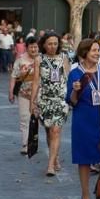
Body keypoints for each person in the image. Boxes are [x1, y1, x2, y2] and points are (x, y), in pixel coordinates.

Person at [68, 38, 100, 199]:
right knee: (84, 158)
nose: (97, 53)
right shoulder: (75, 73)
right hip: (84, 120)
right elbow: (71, 101)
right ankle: (85, 193)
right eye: (93, 50)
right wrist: (75, 91)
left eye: (98, 50)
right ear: (84, 53)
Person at [30, 32, 70, 176]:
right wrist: (32, 101)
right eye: (49, 44)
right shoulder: (39, 59)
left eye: (55, 43)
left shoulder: (64, 58)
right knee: (48, 131)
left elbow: (68, 78)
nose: (53, 46)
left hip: (60, 100)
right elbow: (36, 81)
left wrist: (71, 97)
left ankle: (50, 165)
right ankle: (55, 157)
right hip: (45, 99)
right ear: (44, 45)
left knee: (56, 131)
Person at [9, 36, 40, 154]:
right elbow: (13, 76)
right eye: (31, 47)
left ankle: (36, 140)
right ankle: (25, 144)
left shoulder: (42, 59)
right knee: (25, 118)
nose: (33, 49)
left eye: (35, 47)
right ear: (26, 48)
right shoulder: (20, 60)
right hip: (24, 94)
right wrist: (11, 92)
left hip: (39, 94)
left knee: (39, 119)